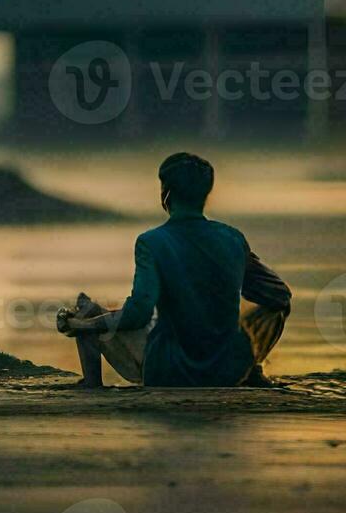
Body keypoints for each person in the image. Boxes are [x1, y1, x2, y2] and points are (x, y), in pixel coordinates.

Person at [56, 153, 291, 388]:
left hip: (170, 371)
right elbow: (279, 296)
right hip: (229, 370)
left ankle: (91, 385)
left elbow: (138, 314)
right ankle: (251, 368)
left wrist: (81, 326)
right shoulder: (233, 238)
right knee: (271, 310)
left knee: (86, 309)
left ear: (166, 194)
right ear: (205, 195)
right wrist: (247, 340)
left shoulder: (152, 242)